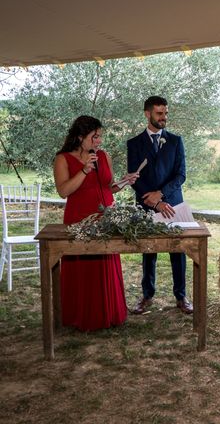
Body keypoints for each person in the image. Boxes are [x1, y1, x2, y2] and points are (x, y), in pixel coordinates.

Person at [53, 115, 138, 331]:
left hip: (106, 218)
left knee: (105, 263)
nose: (98, 141)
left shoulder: (103, 156)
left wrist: (125, 182)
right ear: (80, 137)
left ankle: (110, 314)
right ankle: (81, 316)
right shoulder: (63, 159)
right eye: (95, 137)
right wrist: (84, 171)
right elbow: (64, 191)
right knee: (83, 267)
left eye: (100, 137)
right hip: (80, 218)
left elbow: (108, 187)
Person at [127, 95, 193, 315]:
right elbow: (134, 178)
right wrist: (154, 202)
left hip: (173, 205)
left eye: (165, 113)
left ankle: (181, 297)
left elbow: (181, 175)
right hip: (146, 206)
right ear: (147, 114)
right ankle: (147, 295)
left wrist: (161, 195)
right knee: (148, 251)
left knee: (178, 251)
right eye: (159, 113)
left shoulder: (175, 141)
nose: (164, 117)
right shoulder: (134, 144)